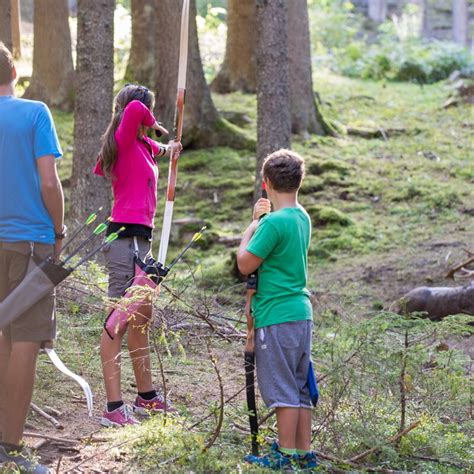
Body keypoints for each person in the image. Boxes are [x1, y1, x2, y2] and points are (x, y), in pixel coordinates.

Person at [94, 84, 182, 427]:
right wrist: (156, 122)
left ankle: (145, 398)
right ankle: (113, 408)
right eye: (149, 110)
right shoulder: (124, 136)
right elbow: (133, 112)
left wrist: (169, 147)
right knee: (118, 320)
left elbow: (158, 148)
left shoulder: (141, 144)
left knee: (140, 317)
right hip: (124, 240)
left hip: (141, 241)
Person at [0, 42, 65, 473]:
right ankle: (10, 445)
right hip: (29, 243)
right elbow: (48, 181)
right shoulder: (34, 112)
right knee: (23, 338)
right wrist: (58, 231)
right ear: (15, 72)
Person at [237, 149, 318, 470]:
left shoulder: (272, 223)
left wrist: (251, 227)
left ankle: (284, 455)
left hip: (276, 315)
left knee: (282, 387)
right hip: (301, 313)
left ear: (266, 183)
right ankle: (302, 452)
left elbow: (245, 264)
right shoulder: (301, 216)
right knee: (299, 386)